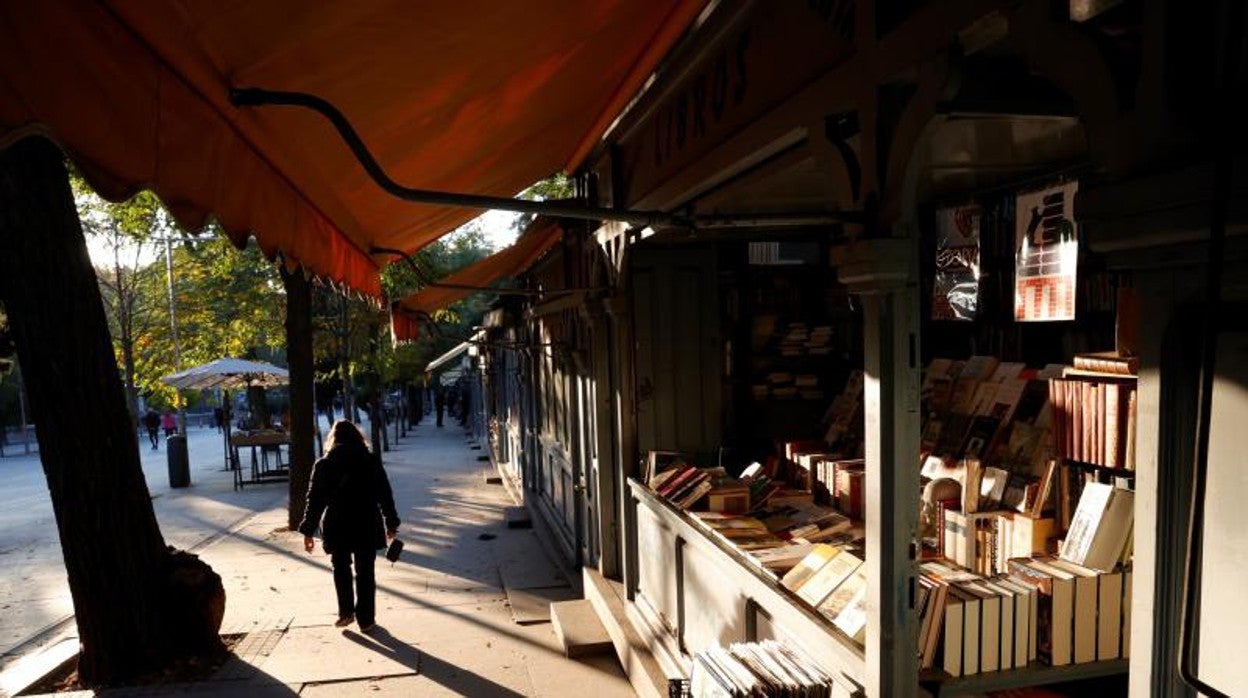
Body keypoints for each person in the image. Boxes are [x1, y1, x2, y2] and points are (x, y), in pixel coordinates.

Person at [298, 420, 399, 632]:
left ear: (333, 439)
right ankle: (366, 619)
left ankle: (346, 612)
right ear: (358, 437)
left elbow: (315, 500)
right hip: (366, 520)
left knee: (341, 567)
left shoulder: (324, 465)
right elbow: (384, 494)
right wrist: (391, 522)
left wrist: (308, 531)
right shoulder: (370, 461)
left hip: (338, 522)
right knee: (365, 571)